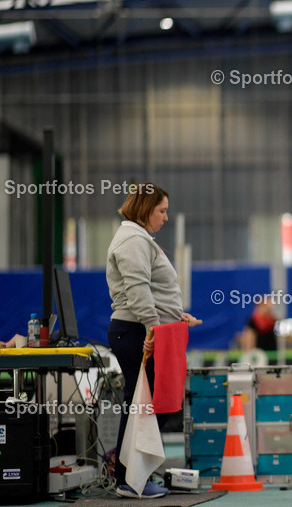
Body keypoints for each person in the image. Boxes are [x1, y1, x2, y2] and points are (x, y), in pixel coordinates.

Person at [106, 183, 200, 498]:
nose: (166, 217)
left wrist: (174, 315)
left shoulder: (139, 238)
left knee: (143, 404)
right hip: (136, 330)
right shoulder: (133, 240)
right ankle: (129, 480)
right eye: (162, 211)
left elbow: (150, 291)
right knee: (141, 405)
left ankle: (133, 476)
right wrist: (152, 329)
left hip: (140, 329)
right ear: (146, 209)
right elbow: (137, 289)